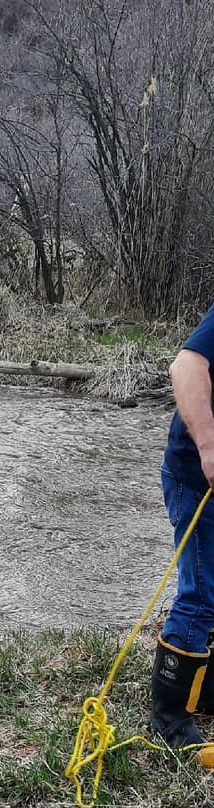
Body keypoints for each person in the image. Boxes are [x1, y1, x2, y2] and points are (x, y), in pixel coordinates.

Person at [152, 304, 214, 747]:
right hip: (196, 477)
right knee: (201, 595)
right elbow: (186, 366)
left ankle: (205, 691)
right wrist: (210, 451)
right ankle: (169, 718)